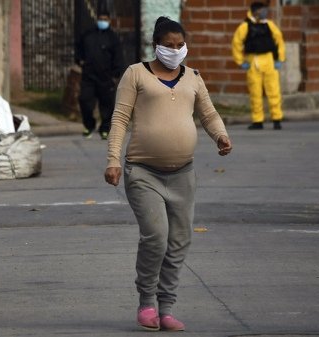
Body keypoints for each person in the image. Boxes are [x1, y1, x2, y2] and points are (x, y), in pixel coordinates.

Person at [104, 17, 232, 331]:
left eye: (179, 45)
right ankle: (146, 303)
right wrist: (113, 160)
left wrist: (221, 136)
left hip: (183, 175)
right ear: (156, 46)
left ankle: (166, 307)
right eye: (168, 45)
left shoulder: (193, 77)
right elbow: (120, 119)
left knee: (179, 240)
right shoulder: (136, 74)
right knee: (156, 238)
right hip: (143, 172)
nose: (175, 51)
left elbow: (208, 113)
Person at [232, 1, 286, 130]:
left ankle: (276, 119)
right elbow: (237, 43)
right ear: (255, 11)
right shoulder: (245, 26)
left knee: (274, 91)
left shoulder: (269, 25)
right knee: (255, 93)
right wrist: (240, 61)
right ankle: (257, 120)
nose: (264, 13)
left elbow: (279, 40)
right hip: (253, 62)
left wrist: (280, 59)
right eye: (262, 10)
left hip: (269, 61)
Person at [75, 7, 124, 140]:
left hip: (106, 77)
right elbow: (79, 49)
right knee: (85, 100)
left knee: (107, 104)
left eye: (105, 19)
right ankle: (89, 125)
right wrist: (79, 61)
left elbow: (118, 57)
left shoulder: (112, 38)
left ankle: (105, 128)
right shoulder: (88, 35)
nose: (102, 21)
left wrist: (116, 74)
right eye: (100, 19)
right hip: (88, 76)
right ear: (97, 19)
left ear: (109, 20)